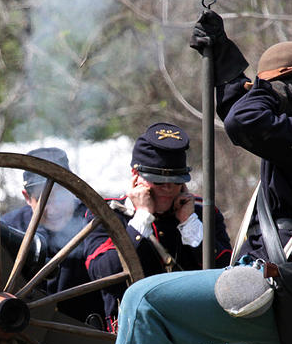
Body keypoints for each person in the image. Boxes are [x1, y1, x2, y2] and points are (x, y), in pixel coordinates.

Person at [102, 10, 292, 344]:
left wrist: (260, 86)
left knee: (142, 301)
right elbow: (244, 115)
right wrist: (224, 56)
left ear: (287, 92)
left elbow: (246, 119)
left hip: (278, 289)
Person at [83, 122, 232, 333]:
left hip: (195, 330)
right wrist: (141, 218)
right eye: (158, 180)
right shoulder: (108, 214)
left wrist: (190, 225)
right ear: (136, 175)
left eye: (175, 179)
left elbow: (225, 274)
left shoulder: (201, 213)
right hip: (133, 330)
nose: (168, 187)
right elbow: (103, 273)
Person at [1, 147, 104, 326]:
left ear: (73, 190)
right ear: (27, 197)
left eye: (61, 197)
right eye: (44, 199)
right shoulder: (9, 227)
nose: (54, 209)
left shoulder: (95, 224)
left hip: (88, 333)